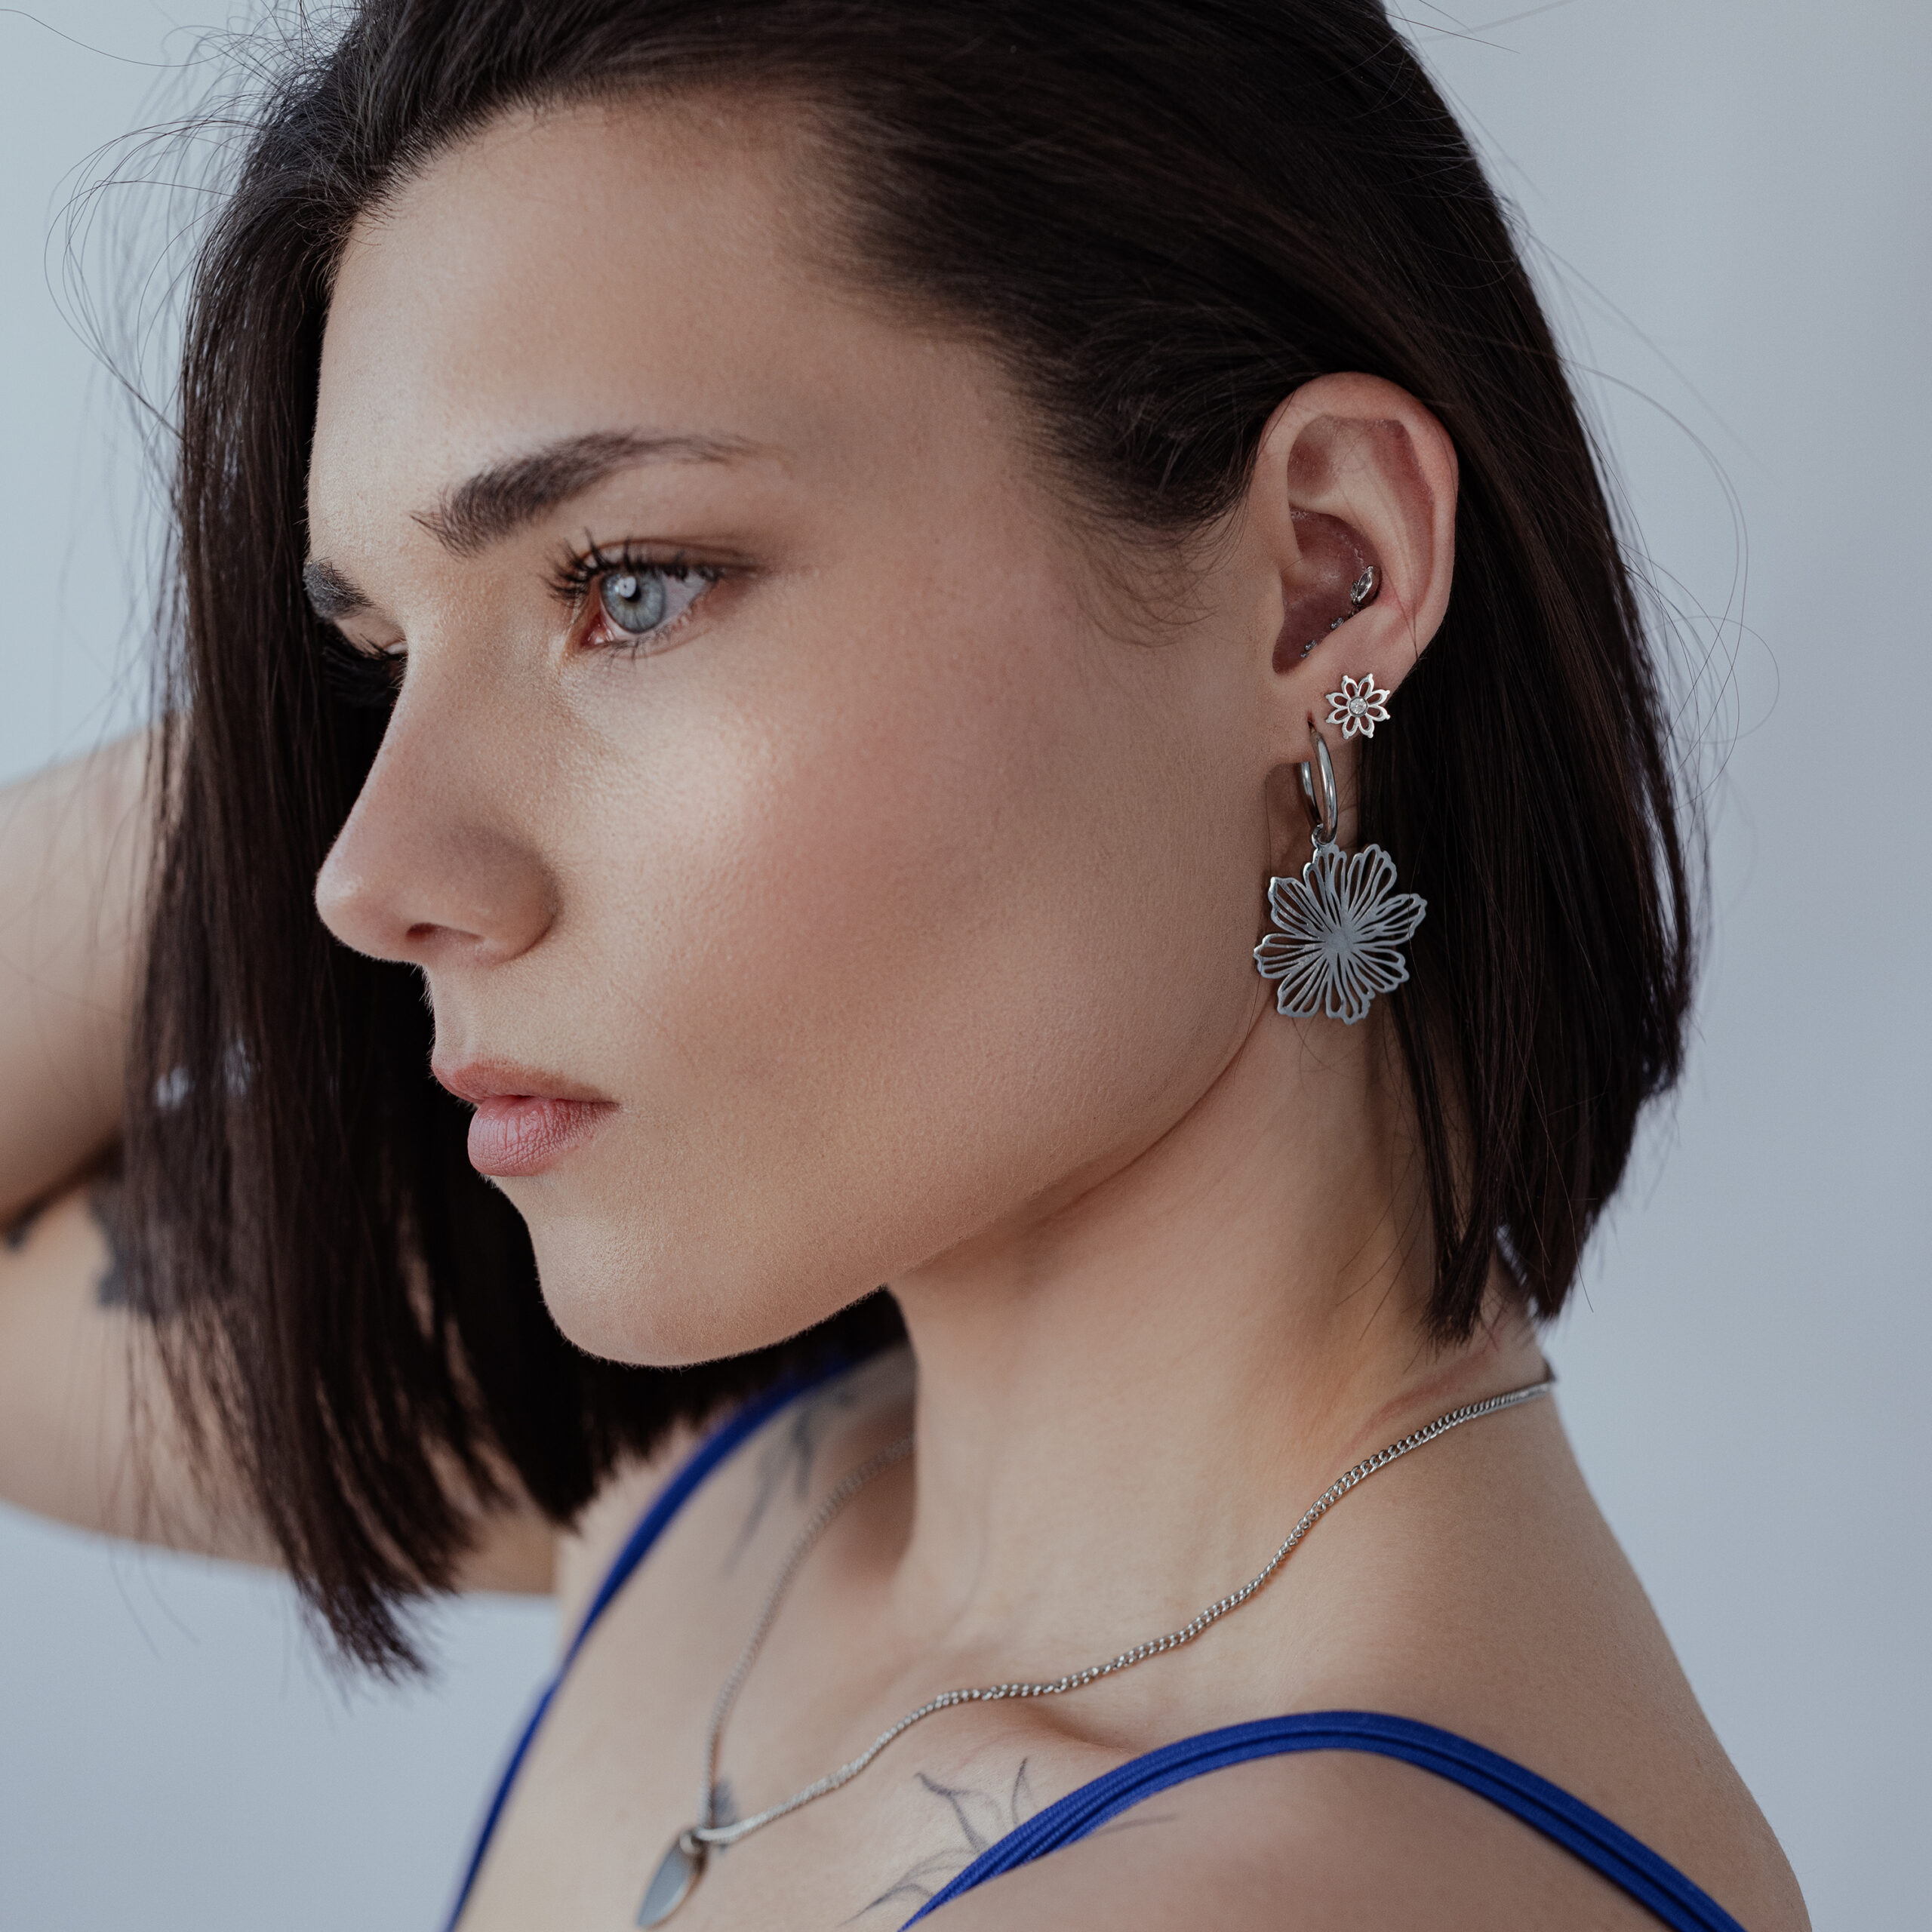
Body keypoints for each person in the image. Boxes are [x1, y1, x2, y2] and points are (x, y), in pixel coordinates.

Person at [0, 3, 1811, 1927]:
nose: (366, 877)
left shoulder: (1306, 1885)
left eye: (633, 585)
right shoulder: (711, 1497)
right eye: (374, 663)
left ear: (1317, 574)